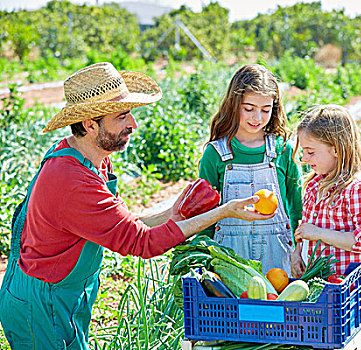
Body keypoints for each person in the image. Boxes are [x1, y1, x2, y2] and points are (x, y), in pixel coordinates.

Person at [0, 62, 274, 350]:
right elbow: (142, 244)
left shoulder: (88, 158)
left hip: (60, 296)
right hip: (43, 306)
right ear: (90, 124)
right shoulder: (72, 180)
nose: (133, 124)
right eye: (122, 116)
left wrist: (171, 215)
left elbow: (124, 224)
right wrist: (222, 212)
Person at [198, 64, 303, 275]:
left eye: (266, 110)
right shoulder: (216, 154)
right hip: (228, 256)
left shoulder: (283, 150)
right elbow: (205, 212)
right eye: (249, 109)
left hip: (278, 255)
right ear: (234, 104)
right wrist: (203, 257)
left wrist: (299, 247)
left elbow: (297, 205)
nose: (257, 118)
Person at [291, 104, 361, 308]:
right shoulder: (316, 184)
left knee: (343, 338)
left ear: (335, 149)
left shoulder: (358, 188)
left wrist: (319, 233)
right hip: (318, 284)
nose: (304, 159)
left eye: (310, 152)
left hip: (349, 288)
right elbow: (308, 227)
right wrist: (298, 252)